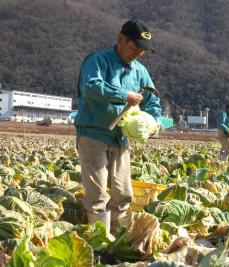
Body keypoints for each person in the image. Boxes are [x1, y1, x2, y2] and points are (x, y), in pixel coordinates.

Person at [74, 19, 162, 238]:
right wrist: (124, 95)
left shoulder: (140, 71)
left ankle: (116, 237)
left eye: (142, 51)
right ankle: (100, 241)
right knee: (97, 195)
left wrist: (153, 123)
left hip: (120, 139)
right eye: (134, 48)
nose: (138, 54)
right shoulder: (98, 61)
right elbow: (91, 87)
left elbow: (152, 102)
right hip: (93, 134)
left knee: (123, 194)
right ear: (121, 39)